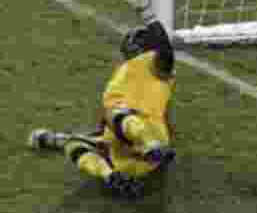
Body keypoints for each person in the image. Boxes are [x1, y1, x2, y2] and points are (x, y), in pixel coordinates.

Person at [28, 17, 177, 198]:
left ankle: (117, 167)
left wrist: (148, 14)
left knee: (114, 115)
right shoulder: (154, 77)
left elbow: (166, 51)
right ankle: (113, 176)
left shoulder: (150, 68)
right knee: (76, 140)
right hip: (140, 154)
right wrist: (55, 139)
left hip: (140, 140)